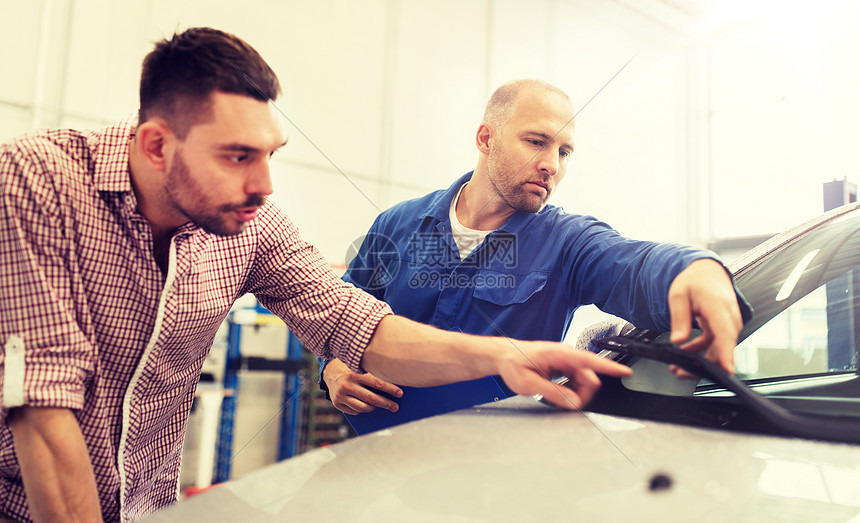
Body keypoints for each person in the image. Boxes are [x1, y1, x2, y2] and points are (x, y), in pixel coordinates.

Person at [0, 31, 632, 522]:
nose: (263, 187)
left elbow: (355, 322)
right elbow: (45, 406)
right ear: (157, 144)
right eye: (237, 157)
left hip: (151, 507)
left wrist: (503, 354)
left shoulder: (251, 222)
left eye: (270, 155)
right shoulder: (38, 180)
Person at [320, 79, 750, 416]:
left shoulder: (567, 242)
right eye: (537, 141)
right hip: (380, 461)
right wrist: (333, 370)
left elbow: (633, 264)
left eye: (565, 152)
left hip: (495, 477)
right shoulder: (396, 224)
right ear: (486, 139)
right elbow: (340, 320)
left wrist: (697, 268)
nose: (552, 165)